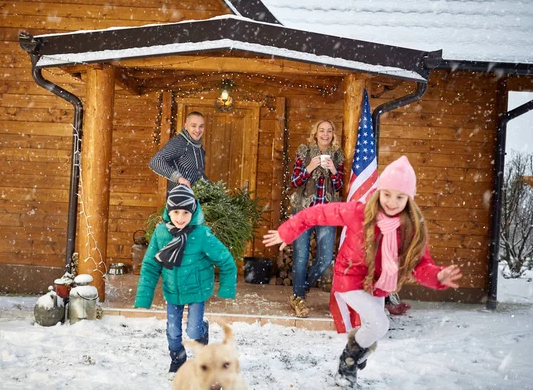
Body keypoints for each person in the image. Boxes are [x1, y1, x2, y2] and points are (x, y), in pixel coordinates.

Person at [263, 156, 462, 388]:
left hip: (377, 285)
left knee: (373, 328)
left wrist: (437, 276)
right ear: (379, 192)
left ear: (410, 198)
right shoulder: (359, 212)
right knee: (380, 325)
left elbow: (421, 265)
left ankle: (357, 351)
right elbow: (316, 214)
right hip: (349, 277)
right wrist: (288, 231)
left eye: (400, 196)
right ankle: (347, 364)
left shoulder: (412, 228)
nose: (392, 201)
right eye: (387, 194)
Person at [134, 185, 237, 374]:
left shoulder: (201, 234)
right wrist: (143, 297)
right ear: (168, 210)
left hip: (197, 289)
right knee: (173, 332)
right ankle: (178, 361)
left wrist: (226, 288)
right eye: (175, 211)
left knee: (193, 331)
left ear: (193, 211)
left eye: (185, 212)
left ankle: (202, 332)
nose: (180, 217)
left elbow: (225, 259)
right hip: (172, 290)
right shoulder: (161, 233)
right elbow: (150, 265)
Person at [288, 119, 344, 318]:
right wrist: (309, 167)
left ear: (332, 135)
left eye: (329, 131)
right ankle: (298, 297)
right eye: (322, 131)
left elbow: (338, 187)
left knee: (325, 257)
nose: (325, 134)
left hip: (326, 214)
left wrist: (335, 171)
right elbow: (295, 181)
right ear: (315, 134)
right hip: (303, 212)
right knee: (301, 256)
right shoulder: (305, 153)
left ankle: (301, 288)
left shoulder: (337, 155)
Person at [149, 111, 208, 191]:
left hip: (194, 199)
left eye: (201, 126)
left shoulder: (199, 147)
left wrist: (212, 188)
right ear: (186, 126)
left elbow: (198, 173)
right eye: (193, 126)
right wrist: (179, 178)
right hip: (179, 198)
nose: (197, 130)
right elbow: (156, 161)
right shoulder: (179, 142)